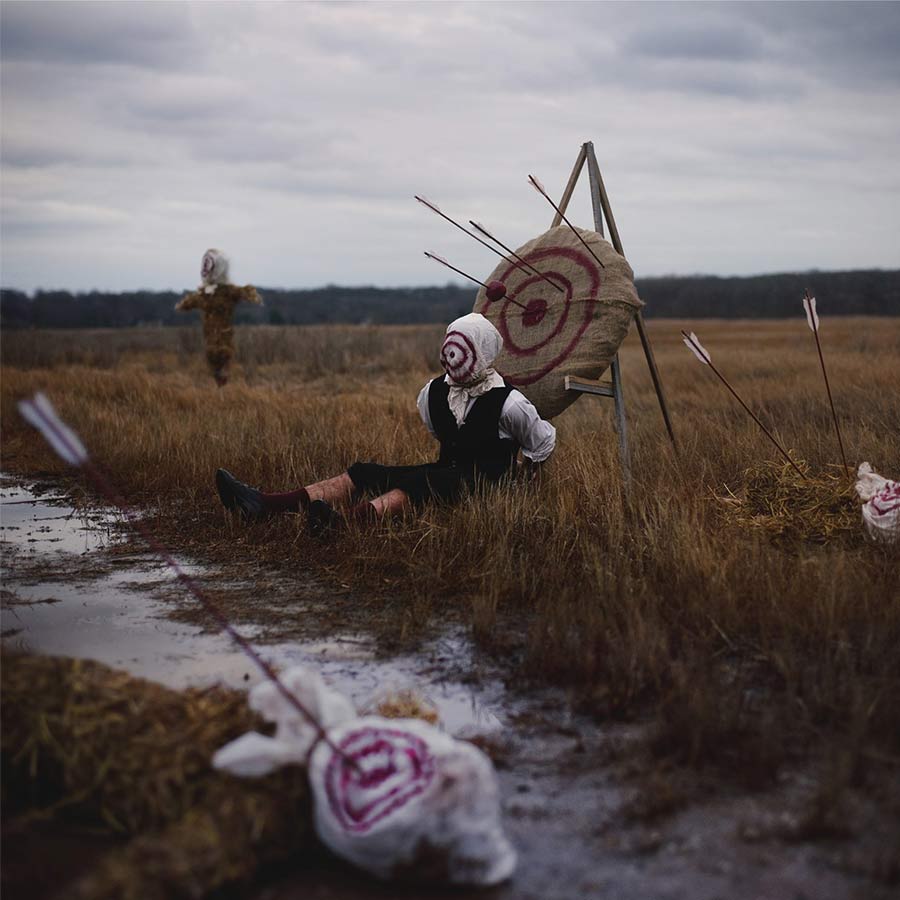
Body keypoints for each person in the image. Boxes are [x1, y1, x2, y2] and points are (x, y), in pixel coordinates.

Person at [215, 313, 556, 534]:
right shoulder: (433, 393)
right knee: (367, 472)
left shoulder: (510, 402)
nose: (451, 357)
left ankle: (344, 524)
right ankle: (266, 504)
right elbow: (442, 434)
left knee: (425, 481)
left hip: (485, 488)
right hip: (446, 475)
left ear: (482, 352)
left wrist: (523, 486)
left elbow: (541, 443)